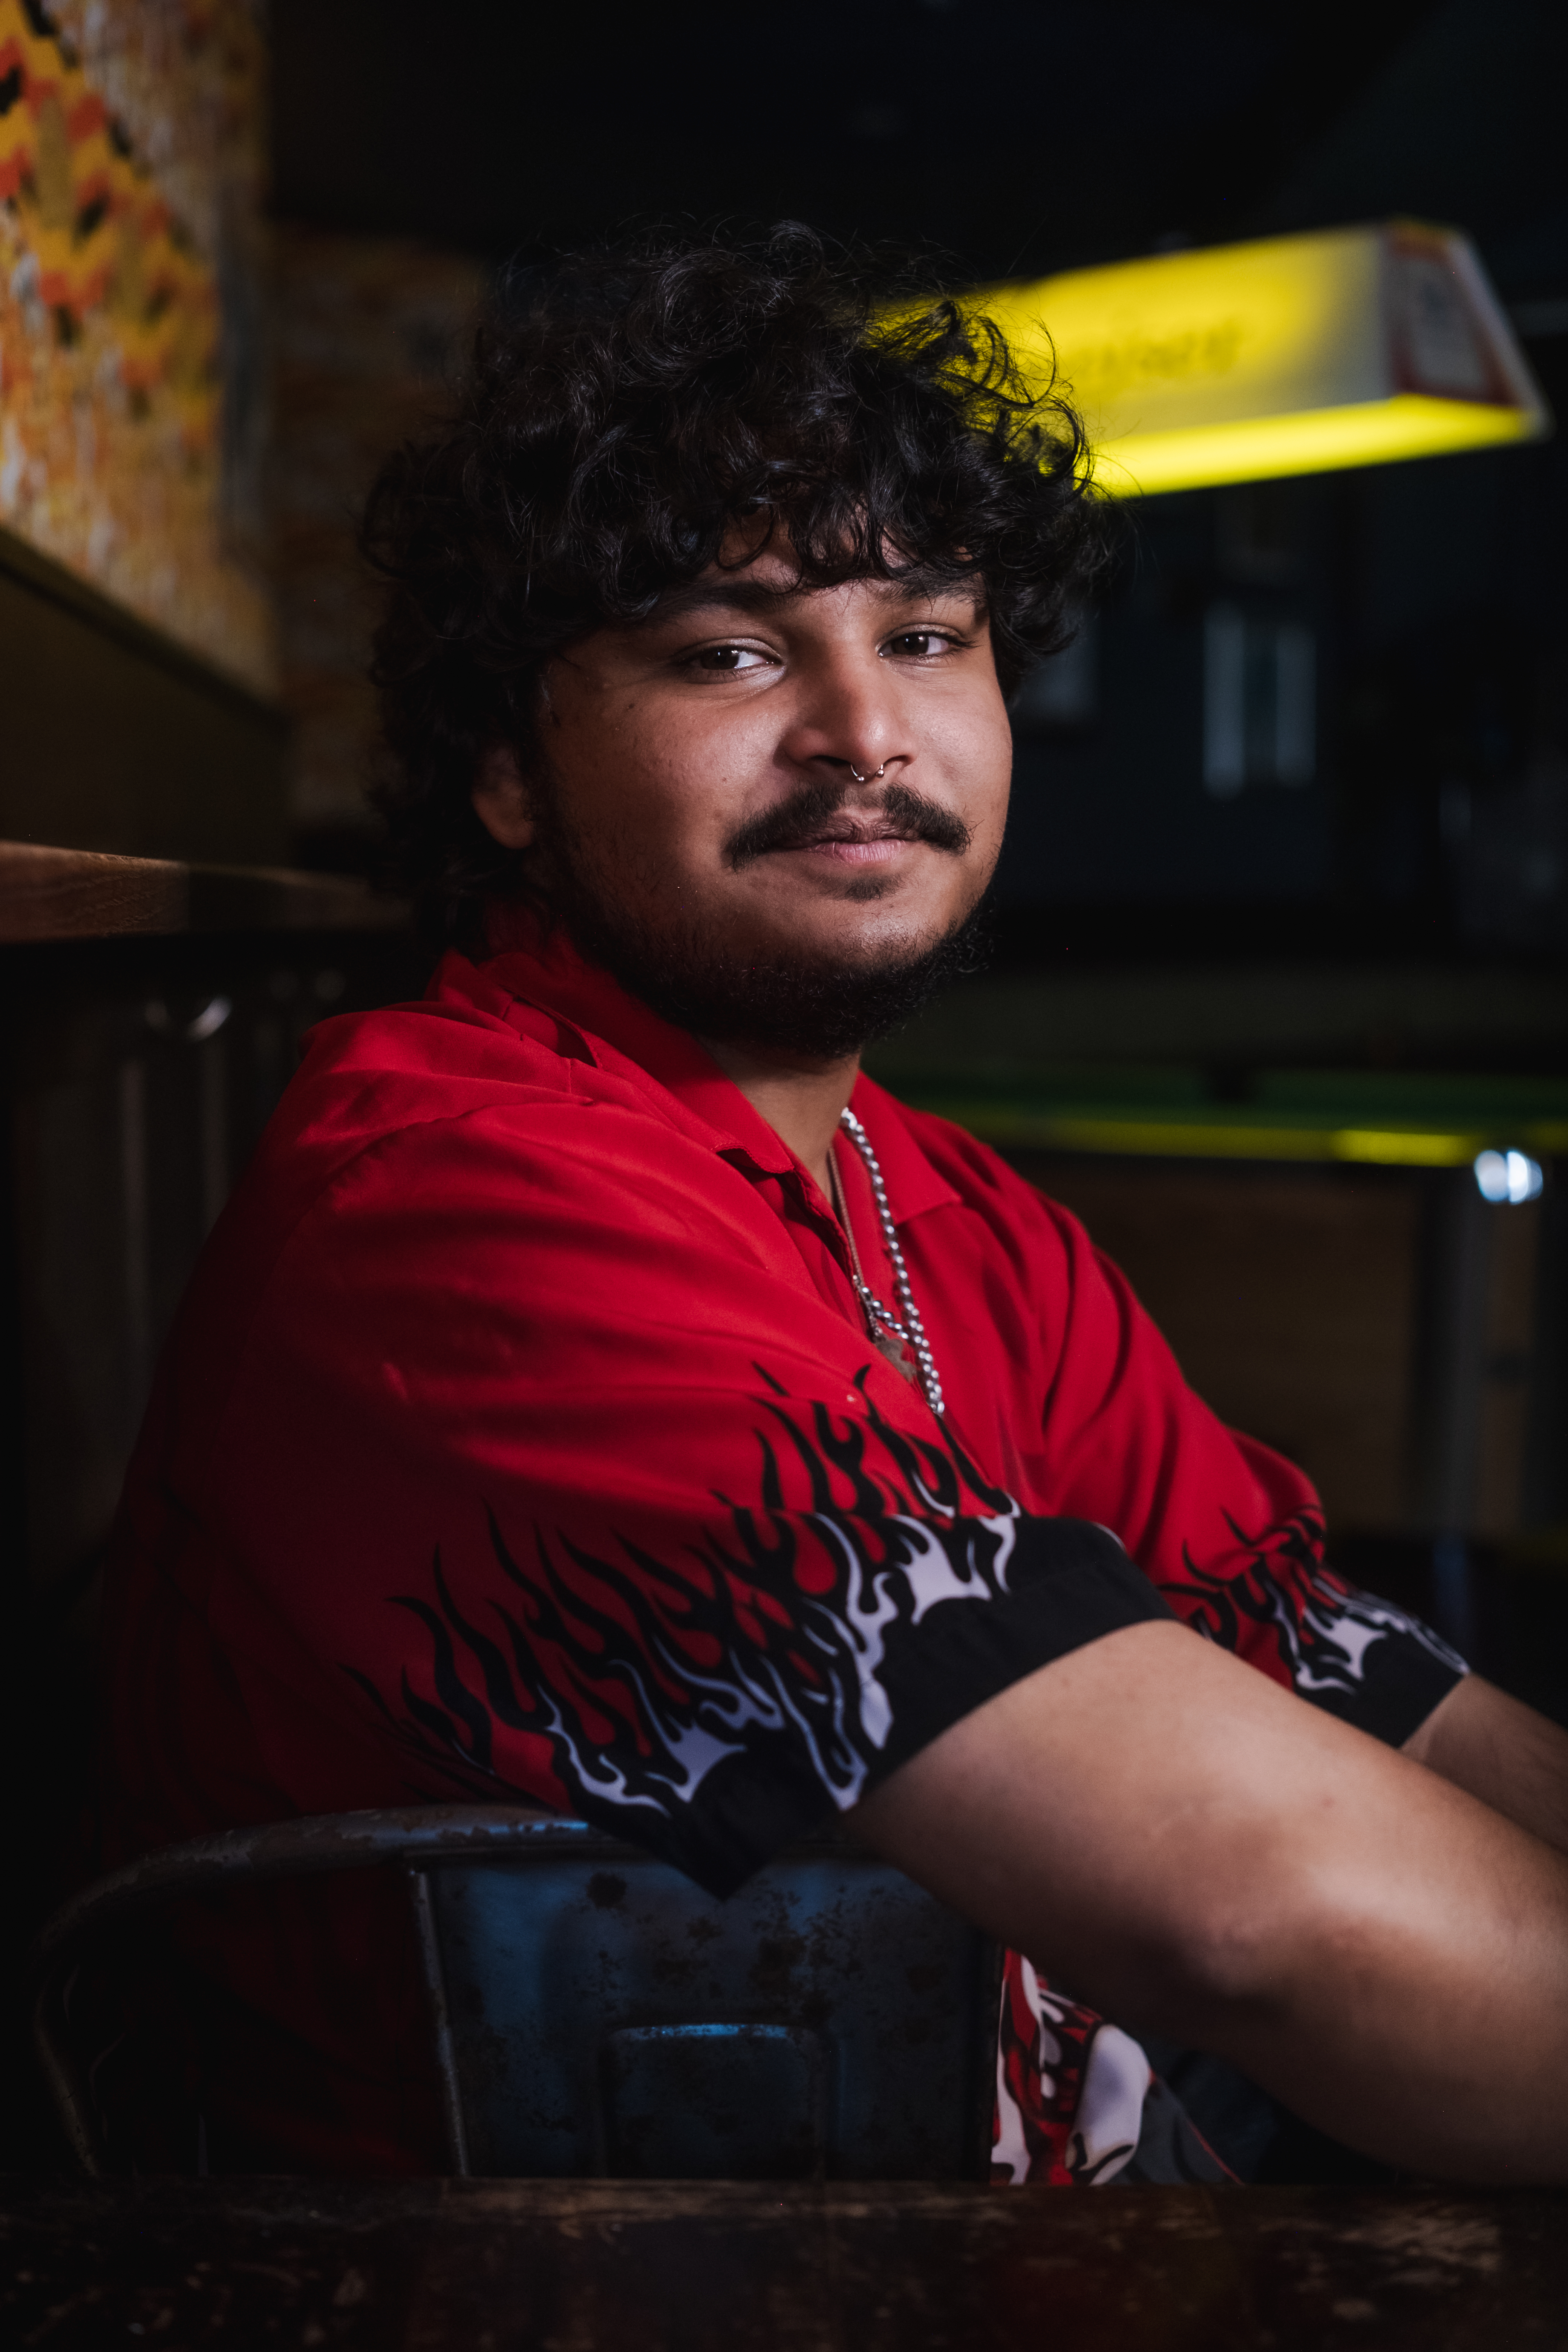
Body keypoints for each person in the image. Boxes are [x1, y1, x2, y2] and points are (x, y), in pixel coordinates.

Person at [99, 228, 1568, 2183]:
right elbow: (1265, 1906)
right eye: (730, 649)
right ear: (507, 774)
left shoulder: (953, 1210)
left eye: (929, 633)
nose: (866, 732)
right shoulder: (452, 1211)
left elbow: (1333, 1667)